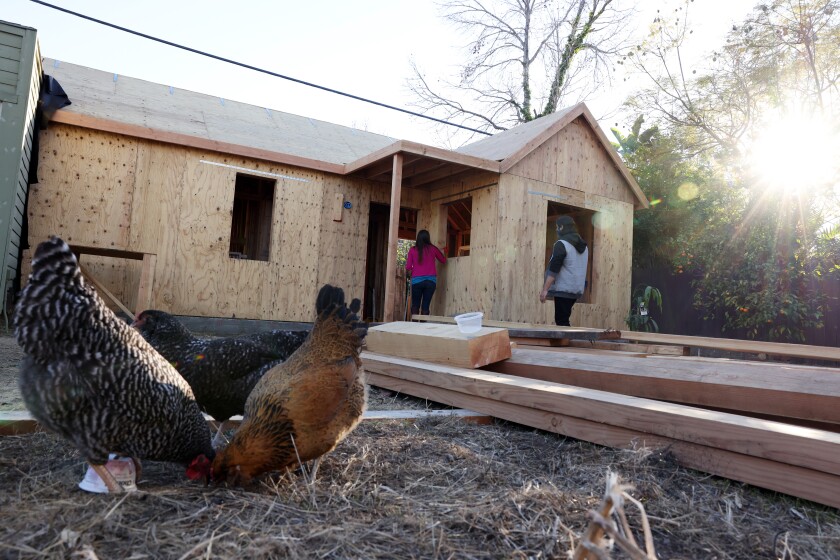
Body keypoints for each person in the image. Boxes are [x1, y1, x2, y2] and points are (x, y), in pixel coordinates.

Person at [540, 215, 589, 326]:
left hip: (563, 289)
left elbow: (554, 268)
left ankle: (567, 342)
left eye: (557, 227)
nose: (556, 230)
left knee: (561, 321)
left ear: (562, 227)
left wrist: (545, 289)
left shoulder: (561, 244)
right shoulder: (583, 246)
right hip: (576, 289)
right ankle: (567, 341)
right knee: (564, 318)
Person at [405, 229, 446, 317]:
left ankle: (414, 326)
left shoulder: (413, 250)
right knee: (425, 307)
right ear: (428, 238)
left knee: (415, 305)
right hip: (431, 282)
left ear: (418, 238)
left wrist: (414, 269)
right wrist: (443, 251)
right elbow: (443, 260)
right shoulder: (433, 249)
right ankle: (423, 328)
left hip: (417, 282)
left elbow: (408, 267)